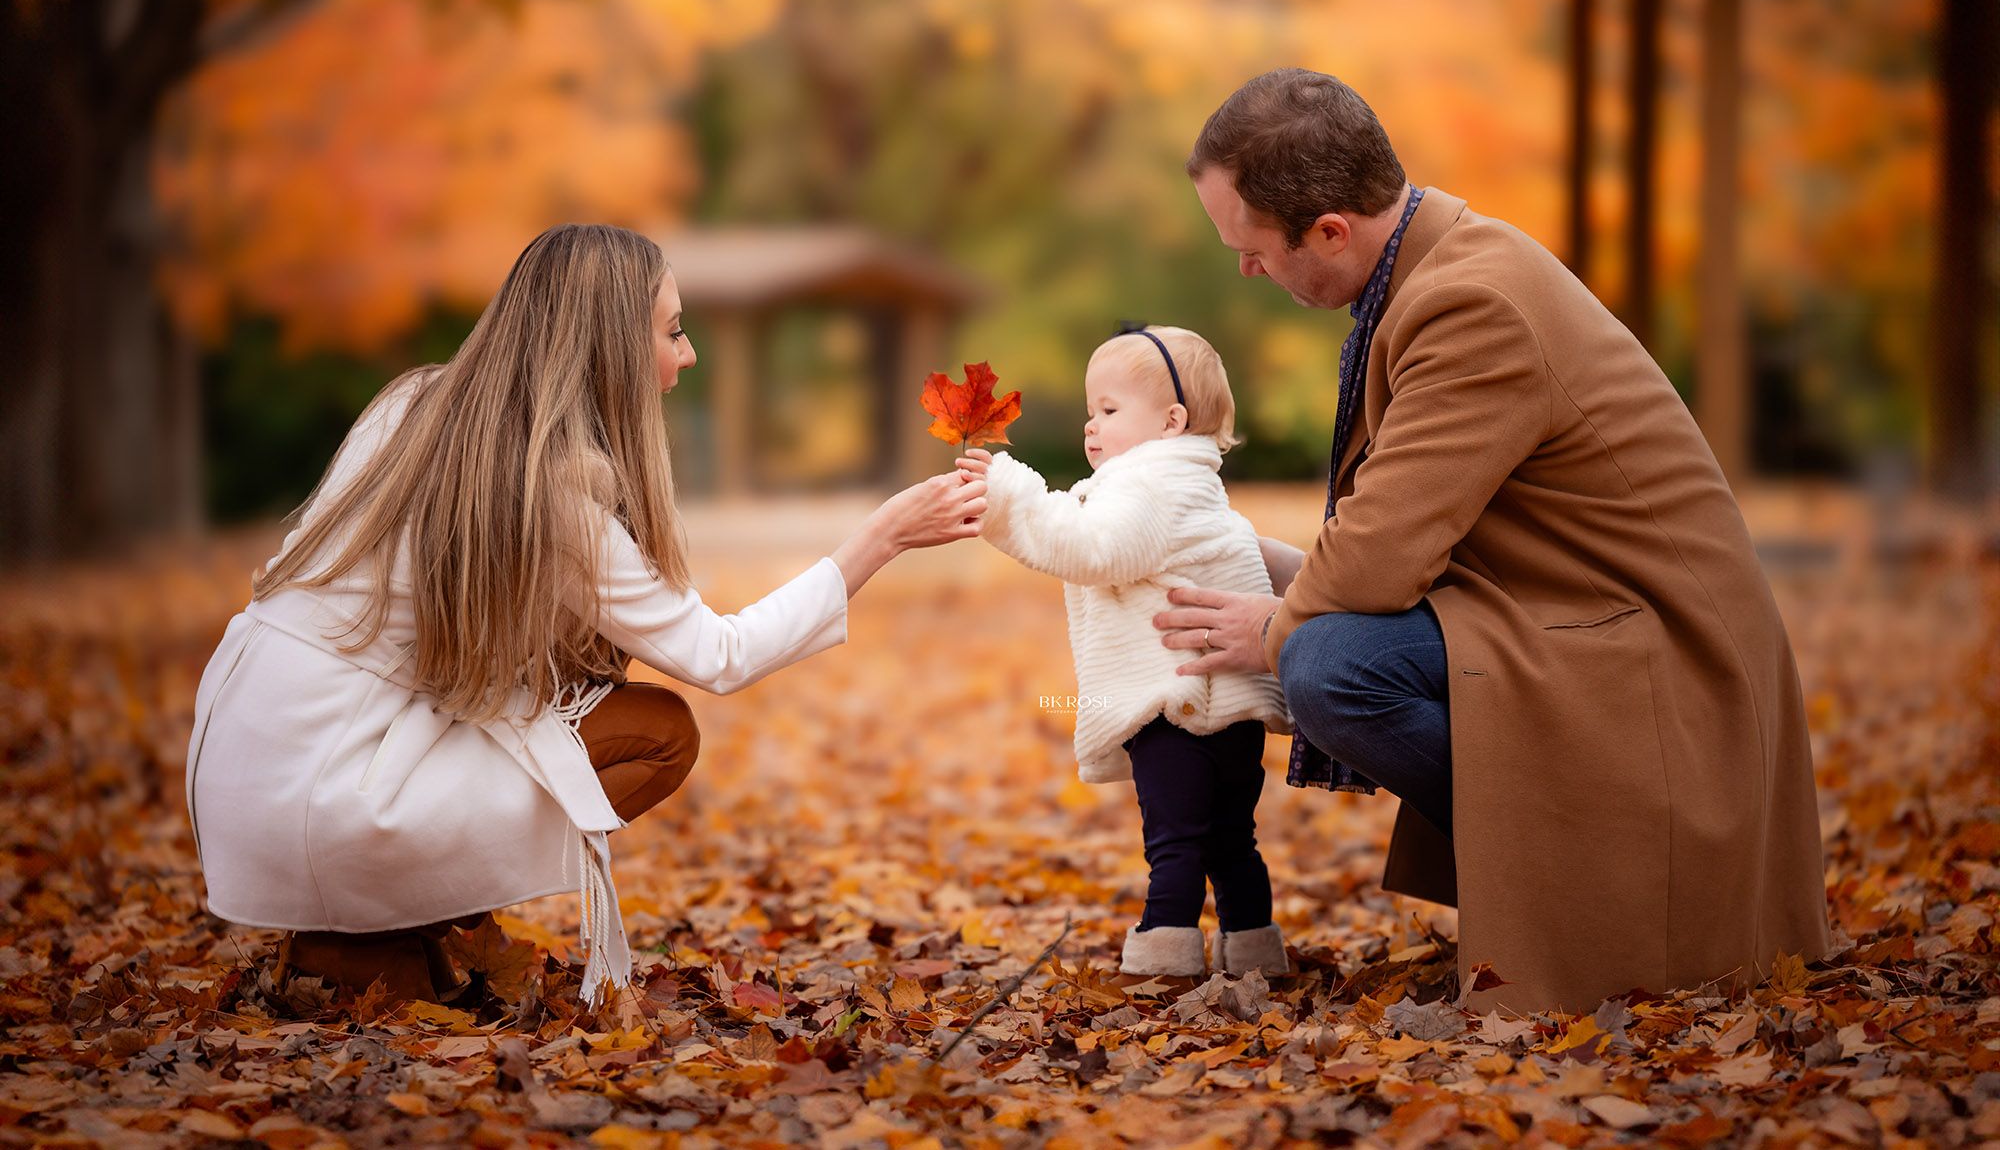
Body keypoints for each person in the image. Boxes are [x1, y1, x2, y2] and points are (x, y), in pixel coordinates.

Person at [1152, 68, 1834, 1016]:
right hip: (1582, 621)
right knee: (1324, 639)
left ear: (1331, 233)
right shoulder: (1437, 273)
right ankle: (1570, 878)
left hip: (1670, 662)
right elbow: (1402, 544)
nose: (1246, 271)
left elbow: (1382, 557)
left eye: (1253, 250)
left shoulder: (1470, 304)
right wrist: (1257, 562)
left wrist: (1272, 629)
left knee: (1327, 666)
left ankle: (1601, 881)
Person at [184, 223, 987, 1017]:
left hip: (248, 761)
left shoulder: (411, 406)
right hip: (331, 788)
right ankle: (363, 935)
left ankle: (388, 927)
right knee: (659, 733)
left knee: (585, 698)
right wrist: (882, 538)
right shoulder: (548, 491)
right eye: (673, 331)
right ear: (612, 348)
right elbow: (722, 655)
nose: (687, 355)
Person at [956, 324, 1294, 980]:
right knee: (1231, 839)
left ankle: (1163, 954)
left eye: (1109, 410)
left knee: (1175, 840)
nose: (1091, 425)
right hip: (1230, 706)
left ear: (1171, 422)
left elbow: (1091, 548)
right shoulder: (1191, 484)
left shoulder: (1149, 486)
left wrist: (1006, 493)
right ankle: (1254, 949)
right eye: (1091, 411)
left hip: (1177, 704)